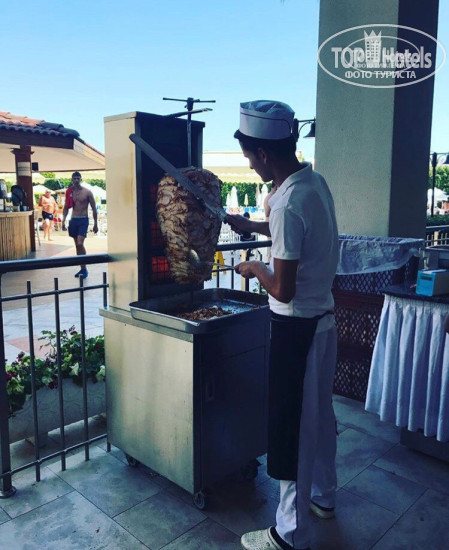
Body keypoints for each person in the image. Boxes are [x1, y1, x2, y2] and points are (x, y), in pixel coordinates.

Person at [227, 100, 339, 550]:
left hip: (297, 329)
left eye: (250, 157)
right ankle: (324, 496)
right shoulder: (312, 183)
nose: (250, 166)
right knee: (321, 417)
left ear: (265, 154)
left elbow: (282, 289)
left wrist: (253, 267)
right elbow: (290, 231)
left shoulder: (288, 204)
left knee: (293, 425)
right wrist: (249, 223)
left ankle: (288, 533)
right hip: (323, 323)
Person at [62, 171, 98, 278]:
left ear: (80, 179)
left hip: (83, 219)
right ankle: (82, 269)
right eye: (74, 178)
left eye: (78, 178)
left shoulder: (87, 192)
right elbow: (66, 207)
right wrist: (63, 221)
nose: (76, 180)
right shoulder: (69, 192)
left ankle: (84, 269)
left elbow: (94, 208)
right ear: (72, 180)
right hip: (74, 220)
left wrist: (95, 224)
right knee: (77, 246)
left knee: (80, 243)